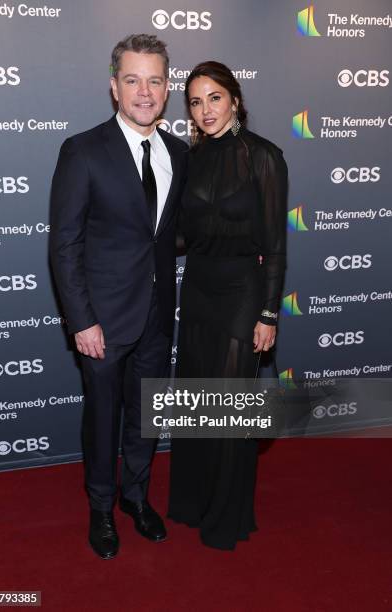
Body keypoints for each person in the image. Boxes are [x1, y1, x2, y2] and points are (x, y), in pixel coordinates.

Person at [49, 34, 187, 560]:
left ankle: (136, 497)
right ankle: (102, 508)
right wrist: (81, 320)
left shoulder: (178, 151)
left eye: (154, 80)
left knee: (146, 415)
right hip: (102, 320)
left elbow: (170, 232)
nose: (144, 91)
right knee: (103, 418)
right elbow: (64, 244)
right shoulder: (83, 150)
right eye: (132, 80)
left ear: (167, 87)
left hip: (157, 315)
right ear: (114, 87)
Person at [168, 61, 288, 550]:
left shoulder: (263, 157)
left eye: (214, 98)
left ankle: (226, 516)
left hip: (242, 294)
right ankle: (194, 503)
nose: (205, 110)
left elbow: (276, 244)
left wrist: (269, 313)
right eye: (195, 102)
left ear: (235, 100)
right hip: (196, 289)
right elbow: (182, 235)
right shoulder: (189, 159)